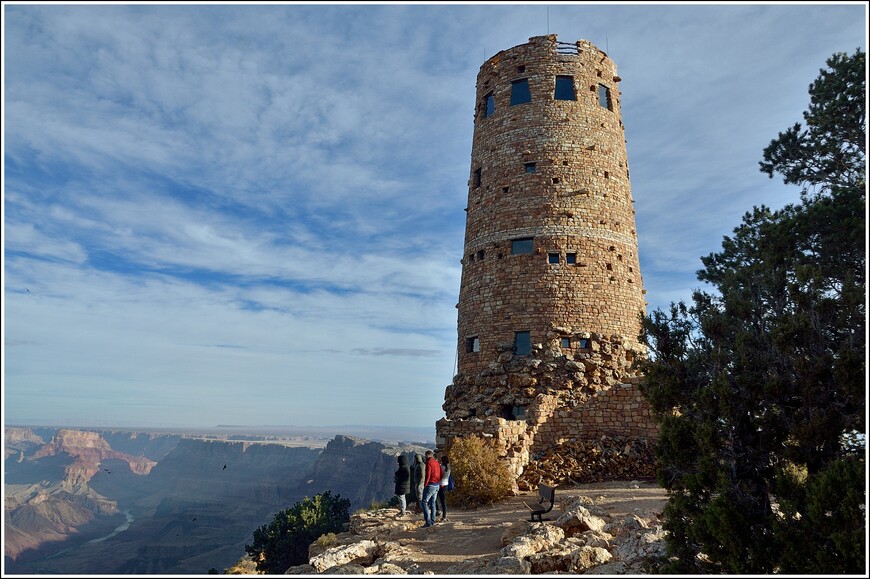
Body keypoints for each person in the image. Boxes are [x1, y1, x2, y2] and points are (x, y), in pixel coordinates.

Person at [421, 450, 442, 527]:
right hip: (437, 485)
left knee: (424, 502)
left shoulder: (429, 463)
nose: (425, 457)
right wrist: (439, 483)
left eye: (426, 456)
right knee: (433, 503)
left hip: (430, 485)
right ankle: (433, 521)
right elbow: (441, 473)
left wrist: (425, 485)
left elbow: (428, 475)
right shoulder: (436, 463)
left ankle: (428, 522)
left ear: (428, 455)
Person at [436, 454, 451, 522]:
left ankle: (438, 511)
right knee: (443, 501)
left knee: (436, 498)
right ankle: (444, 516)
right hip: (446, 484)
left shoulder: (441, 467)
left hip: (440, 485)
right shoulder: (448, 467)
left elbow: (438, 475)